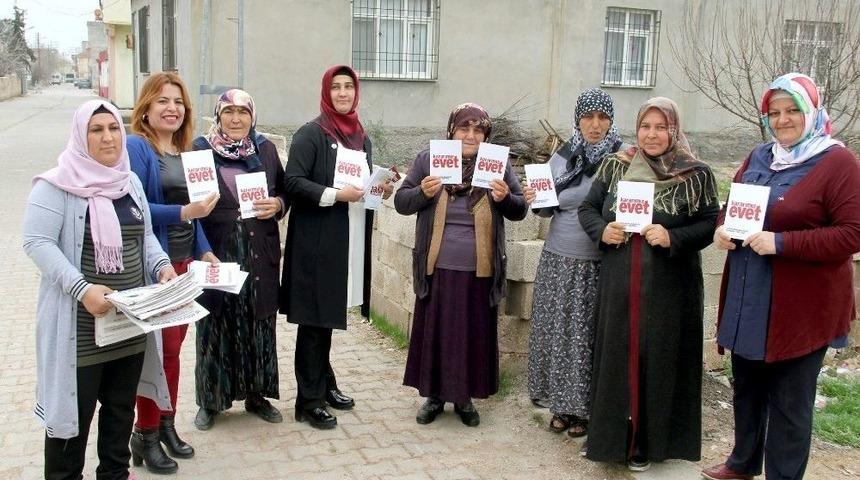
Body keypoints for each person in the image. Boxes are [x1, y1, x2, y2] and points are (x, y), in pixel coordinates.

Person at [702, 73, 860, 480]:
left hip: (800, 308)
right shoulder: (759, 157)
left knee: (790, 402)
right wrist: (723, 227)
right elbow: (733, 204)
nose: (783, 120)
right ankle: (743, 463)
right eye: (774, 112)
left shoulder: (837, 162)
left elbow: (852, 234)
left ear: (812, 112)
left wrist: (782, 243)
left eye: (792, 110)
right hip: (748, 297)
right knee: (747, 388)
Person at [23, 99, 176, 480]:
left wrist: (161, 266)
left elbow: (143, 239)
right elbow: (37, 242)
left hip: (127, 327)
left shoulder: (129, 182)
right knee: (70, 426)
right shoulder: (56, 185)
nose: (108, 137)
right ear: (80, 135)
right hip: (79, 333)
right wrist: (82, 288)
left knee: (120, 414)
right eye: (96, 130)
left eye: (113, 128)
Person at [577, 97, 718, 471]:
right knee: (616, 359)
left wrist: (674, 238)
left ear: (674, 130)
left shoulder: (695, 173)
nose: (652, 135)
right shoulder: (617, 165)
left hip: (669, 290)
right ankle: (609, 441)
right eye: (645, 126)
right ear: (636, 128)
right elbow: (587, 209)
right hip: (620, 285)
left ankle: (647, 444)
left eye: (661, 127)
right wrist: (603, 230)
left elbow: (708, 223)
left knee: (657, 360)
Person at [395, 102, 530, 427]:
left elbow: (519, 209)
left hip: (479, 270)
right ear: (452, 131)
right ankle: (435, 396)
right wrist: (423, 194)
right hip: (437, 267)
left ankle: (465, 399)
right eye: (464, 128)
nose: (470, 135)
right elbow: (402, 201)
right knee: (437, 333)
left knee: (472, 333)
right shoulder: (430, 159)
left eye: (478, 130)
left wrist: (504, 198)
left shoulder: (496, 165)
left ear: (486, 135)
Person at [279, 65, 392, 430]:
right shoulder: (311, 134)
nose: (343, 93)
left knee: (326, 316)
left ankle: (324, 385)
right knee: (314, 320)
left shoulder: (361, 137)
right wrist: (333, 194)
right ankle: (307, 401)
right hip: (316, 239)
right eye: (336, 87)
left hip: (347, 236)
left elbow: (362, 185)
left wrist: (380, 188)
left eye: (349, 87)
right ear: (327, 92)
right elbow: (293, 183)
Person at [127, 72, 218, 474]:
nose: (172, 108)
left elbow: (194, 210)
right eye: (162, 101)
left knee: (174, 351)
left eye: (178, 102)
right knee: (156, 355)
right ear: (145, 109)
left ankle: (165, 423)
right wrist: (185, 212)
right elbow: (136, 208)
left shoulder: (187, 152)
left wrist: (206, 251)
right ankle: (143, 434)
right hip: (154, 268)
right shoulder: (137, 148)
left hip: (184, 267)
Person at [526, 88, 624, 438]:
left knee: (583, 337)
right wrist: (534, 198)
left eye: (602, 118)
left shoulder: (621, 159)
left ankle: (582, 409)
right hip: (556, 257)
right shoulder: (564, 156)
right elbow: (547, 207)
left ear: (611, 121)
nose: (595, 125)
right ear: (577, 119)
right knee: (555, 331)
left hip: (594, 263)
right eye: (588, 117)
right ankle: (559, 403)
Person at [192, 89, 289, 430]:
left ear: (252, 116)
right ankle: (210, 400)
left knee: (257, 325)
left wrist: (277, 205)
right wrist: (199, 249)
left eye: (242, 112)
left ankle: (257, 395)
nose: (235, 119)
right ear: (218, 115)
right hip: (216, 252)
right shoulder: (201, 150)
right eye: (228, 112)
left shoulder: (265, 150)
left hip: (258, 253)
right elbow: (190, 208)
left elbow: (284, 192)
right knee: (214, 326)